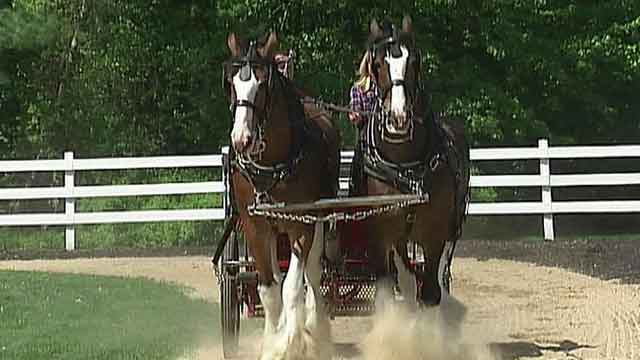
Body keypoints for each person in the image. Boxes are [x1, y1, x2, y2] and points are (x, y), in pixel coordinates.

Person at [348, 52, 379, 196]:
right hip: (366, 137)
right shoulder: (358, 89)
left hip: (384, 131)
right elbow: (354, 111)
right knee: (358, 161)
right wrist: (356, 116)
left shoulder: (386, 88)